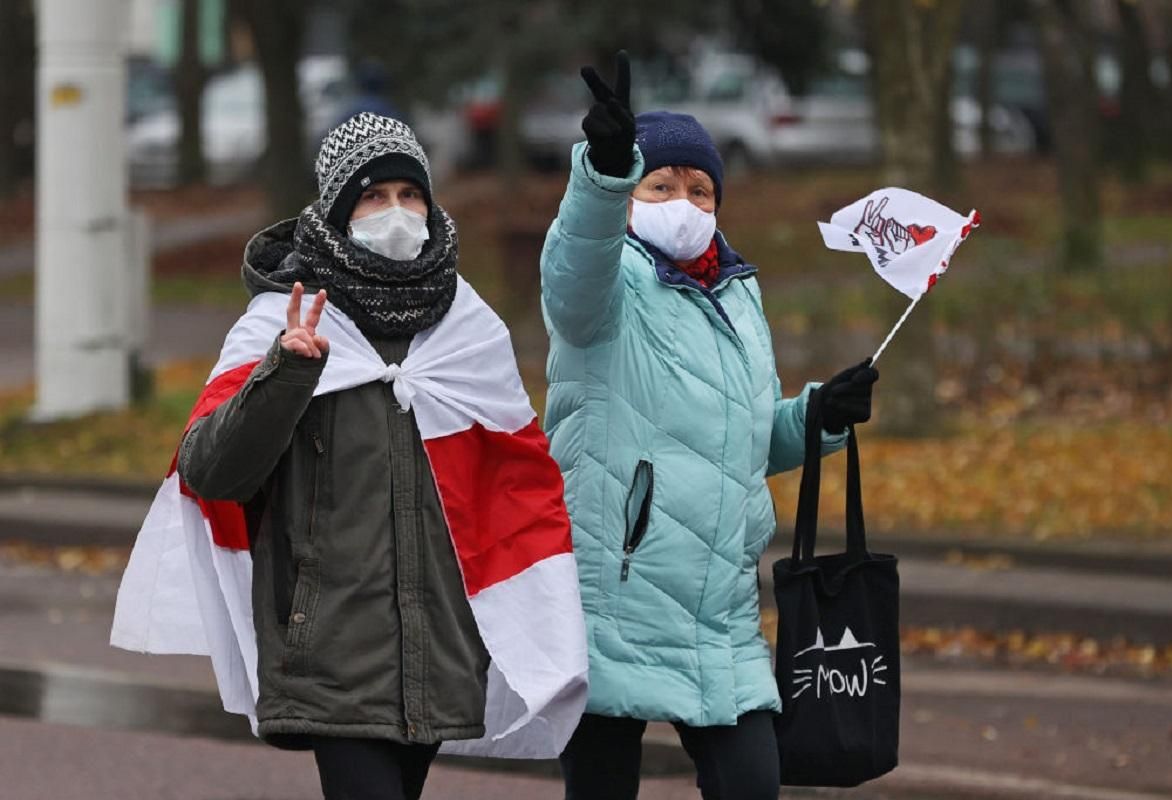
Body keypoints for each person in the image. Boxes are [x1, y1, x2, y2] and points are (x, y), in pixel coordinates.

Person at [112, 112, 587, 800]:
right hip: (332, 651)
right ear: (337, 210)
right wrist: (287, 373)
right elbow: (212, 470)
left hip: (440, 650)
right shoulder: (282, 322)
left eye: (409, 194)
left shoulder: (469, 330)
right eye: (372, 196)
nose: (395, 212)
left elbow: (515, 484)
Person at [539, 53, 880, 800]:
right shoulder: (604, 285)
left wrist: (817, 417)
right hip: (612, 598)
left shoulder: (737, 294)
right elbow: (575, 268)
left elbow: (740, 443)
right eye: (661, 184)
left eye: (701, 189)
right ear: (631, 197)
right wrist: (600, 171)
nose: (684, 200)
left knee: (753, 785)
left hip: (718, 609)